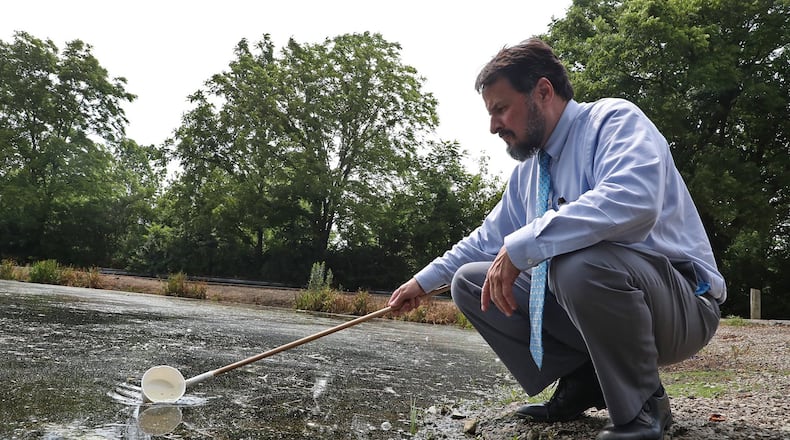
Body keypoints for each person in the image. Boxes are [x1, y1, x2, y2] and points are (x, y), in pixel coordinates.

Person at [388, 38, 724, 440]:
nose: (493, 125)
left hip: (682, 307)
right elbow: (486, 240)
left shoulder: (614, 120)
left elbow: (633, 202)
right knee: (470, 281)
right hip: (604, 297)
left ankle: (643, 406)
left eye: (500, 109)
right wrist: (421, 283)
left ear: (543, 92)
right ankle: (585, 380)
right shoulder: (529, 173)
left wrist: (525, 244)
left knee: (575, 262)